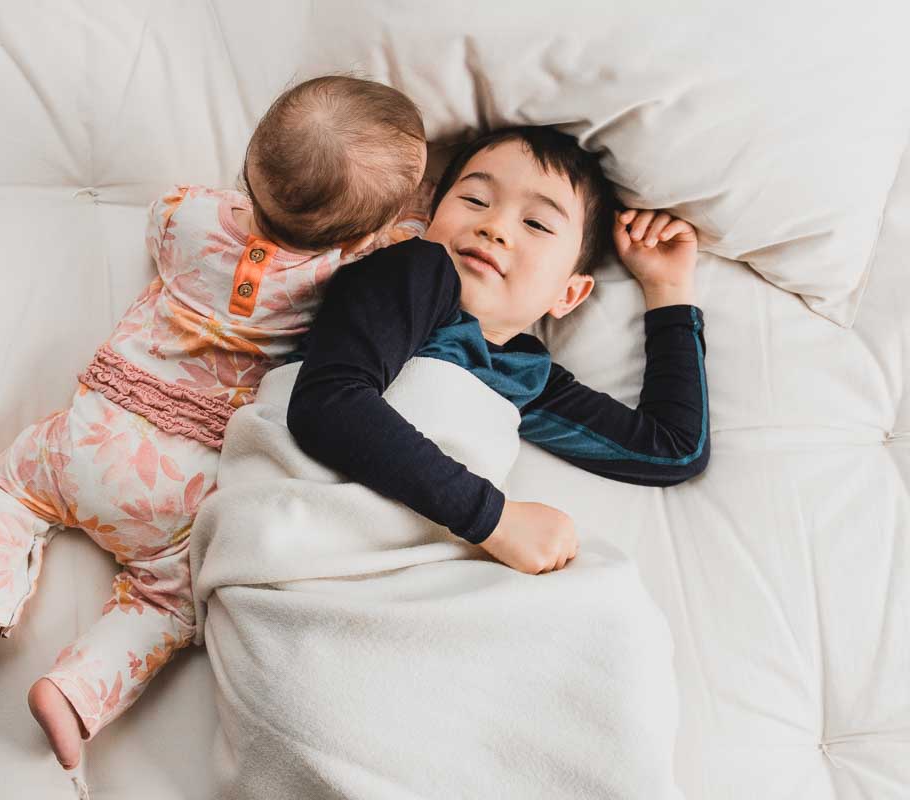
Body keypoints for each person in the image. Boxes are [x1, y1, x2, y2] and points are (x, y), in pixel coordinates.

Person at [0, 75, 429, 770]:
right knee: (169, 603)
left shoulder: (193, 216)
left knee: (8, 488)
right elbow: (403, 246)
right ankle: (76, 690)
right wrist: (395, 228)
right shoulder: (347, 272)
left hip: (92, 434)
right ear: (367, 230)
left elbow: (161, 216)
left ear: (249, 166)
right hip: (180, 487)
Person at [287, 126, 710, 576]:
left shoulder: (522, 375)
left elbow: (672, 450)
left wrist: (667, 289)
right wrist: (496, 521)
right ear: (431, 221)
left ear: (567, 295)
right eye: (475, 200)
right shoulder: (412, 271)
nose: (495, 226)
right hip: (308, 538)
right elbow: (327, 403)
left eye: (536, 224)